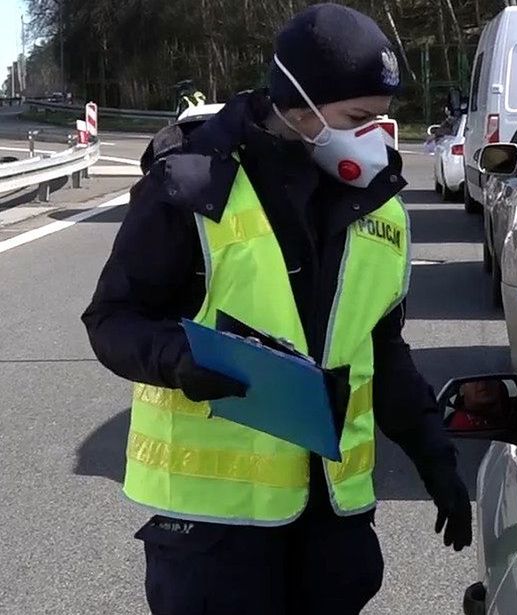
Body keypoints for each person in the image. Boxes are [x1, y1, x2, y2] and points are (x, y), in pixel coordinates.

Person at [82, 4, 472, 614]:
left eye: (384, 119)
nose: (378, 135)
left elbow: (383, 350)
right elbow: (110, 321)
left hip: (331, 528)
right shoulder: (192, 185)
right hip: (216, 538)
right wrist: (178, 359)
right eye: (360, 117)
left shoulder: (379, 207)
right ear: (300, 104)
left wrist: (435, 457)